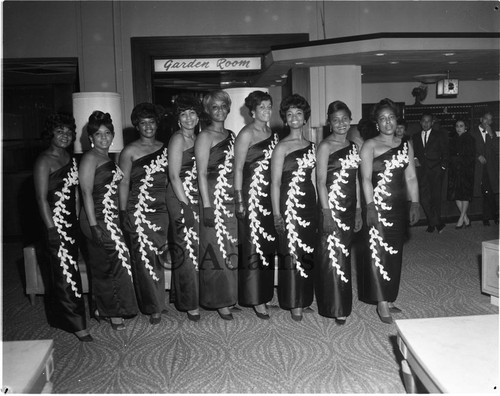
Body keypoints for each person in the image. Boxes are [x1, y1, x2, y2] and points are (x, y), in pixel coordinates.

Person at [359, 98, 420, 324]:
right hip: (378, 207)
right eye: (383, 119)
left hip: (398, 208)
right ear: (377, 123)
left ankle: (390, 295)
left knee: (394, 253)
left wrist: (415, 203)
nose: (387, 122)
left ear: (397, 120)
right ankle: (381, 301)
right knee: (378, 252)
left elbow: (411, 176)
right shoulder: (370, 145)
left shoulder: (406, 144)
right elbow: (365, 179)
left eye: (391, 118)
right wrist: (370, 207)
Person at [33, 113, 92, 342]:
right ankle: (77, 325)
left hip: (71, 223)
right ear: (51, 134)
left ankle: (65, 317)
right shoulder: (43, 161)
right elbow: (40, 199)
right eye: (60, 131)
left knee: (72, 272)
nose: (65, 136)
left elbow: (75, 193)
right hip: (54, 224)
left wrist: (77, 221)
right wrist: (51, 230)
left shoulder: (70, 157)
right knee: (64, 273)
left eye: (69, 132)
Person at [79, 111, 138, 330]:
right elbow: (85, 192)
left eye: (107, 133)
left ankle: (106, 308)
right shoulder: (90, 158)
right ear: (90, 137)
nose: (103, 137)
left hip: (109, 217)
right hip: (94, 217)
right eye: (98, 134)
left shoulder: (107, 157)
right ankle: (112, 311)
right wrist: (94, 226)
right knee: (109, 263)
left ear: (112, 136)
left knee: (113, 262)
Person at [118, 103, 168, 325]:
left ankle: (160, 300)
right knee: (145, 258)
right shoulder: (129, 151)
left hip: (163, 210)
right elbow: (123, 183)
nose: (148, 126)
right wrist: (122, 212)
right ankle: (153, 307)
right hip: (139, 210)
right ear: (137, 126)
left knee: (160, 256)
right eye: (143, 122)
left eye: (151, 121)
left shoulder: (166, 147)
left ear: (157, 124)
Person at [315, 101, 362, 324]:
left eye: (345, 119)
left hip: (350, 207)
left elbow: (357, 180)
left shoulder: (354, 146)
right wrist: (326, 213)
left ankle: (342, 302)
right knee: (331, 257)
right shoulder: (324, 146)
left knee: (345, 256)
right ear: (329, 123)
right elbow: (320, 182)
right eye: (336, 120)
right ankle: (334, 306)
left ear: (350, 119)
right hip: (331, 207)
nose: (341, 123)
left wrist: (360, 209)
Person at [270, 94, 317, 322]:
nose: (294, 117)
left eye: (298, 113)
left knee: (307, 252)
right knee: (291, 252)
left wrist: (319, 209)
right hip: (288, 206)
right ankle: (293, 302)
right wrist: (277, 213)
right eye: (290, 114)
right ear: (285, 120)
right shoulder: (281, 147)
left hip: (309, 205)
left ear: (305, 117)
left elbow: (317, 181)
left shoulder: (313, 147)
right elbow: (275, 183)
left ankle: (304, 298)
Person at [234, 90, 279, 320]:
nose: (266, 111)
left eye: (269, 106)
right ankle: (255, 299)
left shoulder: (273, 133)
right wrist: (239, 199)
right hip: (251, 196)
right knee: (253, 246)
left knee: (267, 246)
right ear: (252, 111)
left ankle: (264, 292)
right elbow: (238, 169)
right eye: (262, 107)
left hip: (268, 197)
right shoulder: (246, 133)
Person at [194, 90, 238, 320]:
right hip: (212, 196)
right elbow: (201, 173)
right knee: (215, 248)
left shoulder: (232, 135)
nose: (219, 111)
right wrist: (207, 206)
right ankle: (219, 300)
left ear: (228, 108)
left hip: (229, 195)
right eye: (215, 107)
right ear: (208, 111)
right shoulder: (205, 136)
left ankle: (230, 295)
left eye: (223, 106)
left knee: (230, 248)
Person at [167, 95, 203, 321]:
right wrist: (186, 206)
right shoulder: (177, 139)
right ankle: (189, 303)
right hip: (180, 197)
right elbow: (173, 175)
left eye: (192, 113)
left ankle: (190, 296)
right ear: (178, 119)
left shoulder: (199, 138)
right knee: (187, 248)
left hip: (195, 196)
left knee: (196, 250)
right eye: (184, 114)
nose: (189, 118)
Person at [412, 111, 449, 233]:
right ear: (420, 122)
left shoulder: (439, 135)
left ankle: (431, 224)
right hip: (422, 171)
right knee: (424, 198)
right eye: (423, 121)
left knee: (435, 198)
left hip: (436, 170)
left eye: (428, 121)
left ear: (432, 122)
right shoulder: (416, 136)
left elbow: (445, 152)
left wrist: (442, 167)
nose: (425, 123)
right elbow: (415, 152)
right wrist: (416, 159)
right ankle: (437, 222)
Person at [471, 111, 499, 226]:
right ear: (481, 119)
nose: (488, 122)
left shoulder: (492, 134)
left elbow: (497, 149)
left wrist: (491, 135)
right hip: (478, 168)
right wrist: (478, 156)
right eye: (485, 119)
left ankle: (488, 216)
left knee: (489, 190)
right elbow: (469, 149)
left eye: (490, 120)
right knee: (486, 191)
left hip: (491, 167)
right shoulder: (473, 133)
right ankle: (493, 215)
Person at [446, 119, 476, 228]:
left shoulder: (470, 139)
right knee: (456, 195)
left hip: (466, 170)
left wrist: (459, 160)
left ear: (466, 127)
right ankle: (466, 219)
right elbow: (449, 154)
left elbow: (471, 156)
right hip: (454, 170)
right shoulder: (452, 139)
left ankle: (461, 218)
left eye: (461, 126)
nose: (459, 128)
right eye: (457, 126)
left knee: (465, 195)